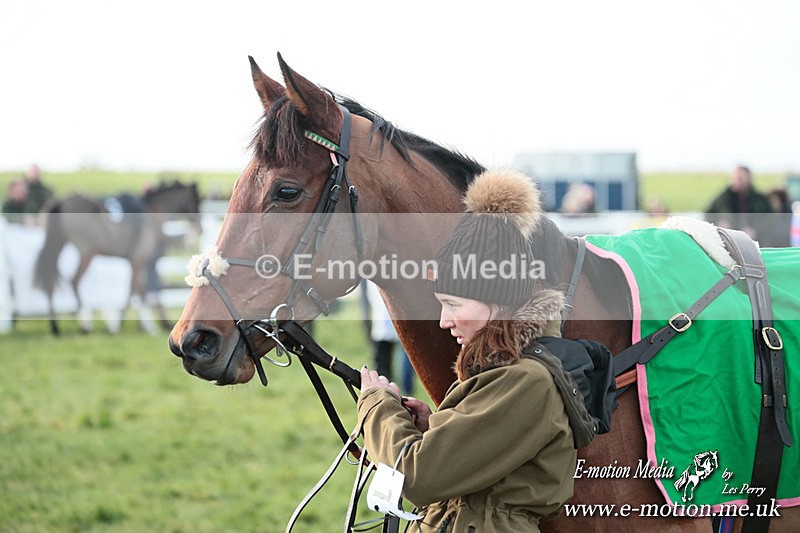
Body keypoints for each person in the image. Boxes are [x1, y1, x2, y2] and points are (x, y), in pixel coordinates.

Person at [357, 169, 604, 532]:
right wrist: (436, 427)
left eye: (454, 304)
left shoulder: (526, 381)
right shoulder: (506, 372)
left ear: (500, 301)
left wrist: (377, 407)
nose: (444, 321)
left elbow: (415, 477)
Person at [365, 280, 415, 395]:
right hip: (393, 318)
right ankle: (401, 392)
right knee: (404, 354)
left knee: (394, 357)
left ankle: (387, 392)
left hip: (388, 319)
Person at [705, 165, 773, 241]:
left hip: (756, 241)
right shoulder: (723, 198)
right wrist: (718, 225)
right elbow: (708, 214)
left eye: (740, 178)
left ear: (749, 179)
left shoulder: (760, 199)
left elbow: (771, 219)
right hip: (729, 241)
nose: (737, 181)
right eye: (734, 178)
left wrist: (755, 230)